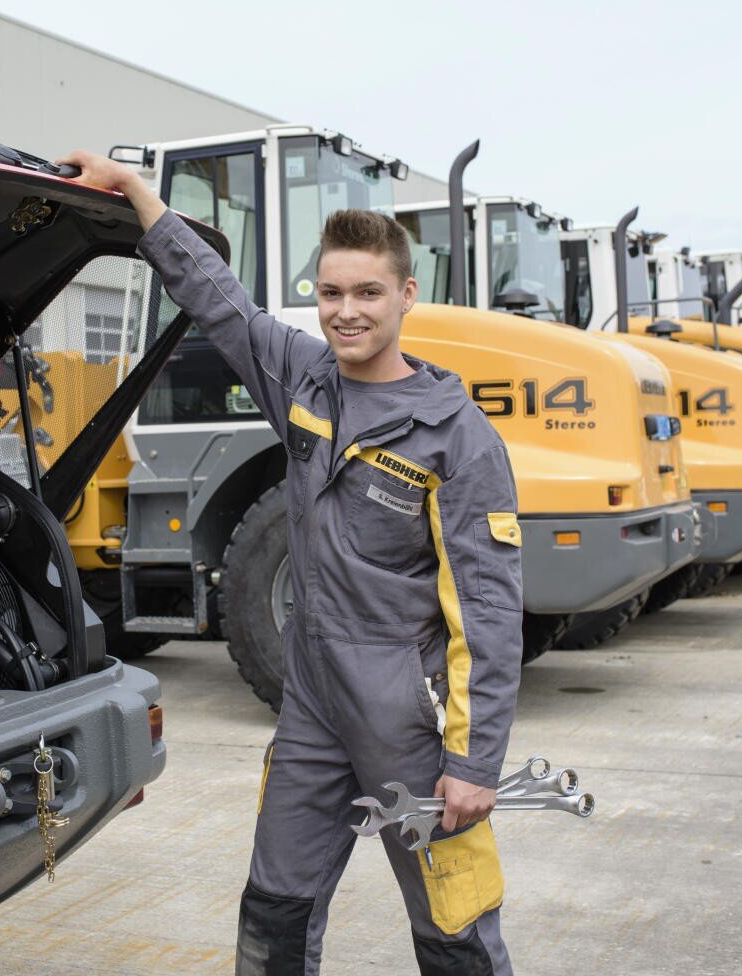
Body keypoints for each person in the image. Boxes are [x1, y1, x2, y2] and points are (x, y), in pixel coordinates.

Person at [63, 150, 524, 976]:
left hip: (406, 717)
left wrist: (473, 762)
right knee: (275, 906)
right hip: (313, 703)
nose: (347, 313)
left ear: (406, 296)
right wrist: (140, 197)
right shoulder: (308, 382)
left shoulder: (456, 438)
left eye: (368, 293)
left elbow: (486, 611)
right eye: (332, 292)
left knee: (453, 918)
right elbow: (220, 303)